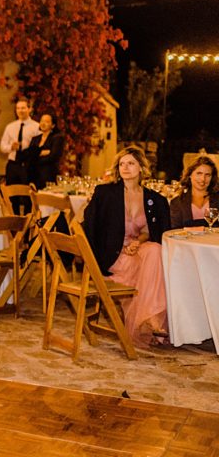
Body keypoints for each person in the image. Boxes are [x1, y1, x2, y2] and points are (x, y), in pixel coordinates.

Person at [82, 146, 170, 348]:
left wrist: (139, 241)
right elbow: (90, 228)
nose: (125, 168)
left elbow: (151, 231)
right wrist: (117, 250)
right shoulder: (105, 193)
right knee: (149, 270)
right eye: (122, 164)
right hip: (112, 257)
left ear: (141, 168)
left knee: (155, 250)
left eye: (131, 163)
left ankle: (151, 319)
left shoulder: (153, 199)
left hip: (137, 249)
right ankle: (150, 320)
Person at [170, 155, 219, 228]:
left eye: (207, 175)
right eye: (199, 173)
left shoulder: (217, 199)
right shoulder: (177, 202)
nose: (203, 179)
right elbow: (174, 232)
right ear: (190, 175)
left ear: (212, 177)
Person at [22, 112, 64, 189]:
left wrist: (35, 156)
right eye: (42, 121)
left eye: (47, 122)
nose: (43, 123)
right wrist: (40, 153)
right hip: (33, 175)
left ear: (53, 125)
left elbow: (53, 156)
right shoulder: (35, 139)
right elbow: (27, 155)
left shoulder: (57, 138)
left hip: (48, 175)